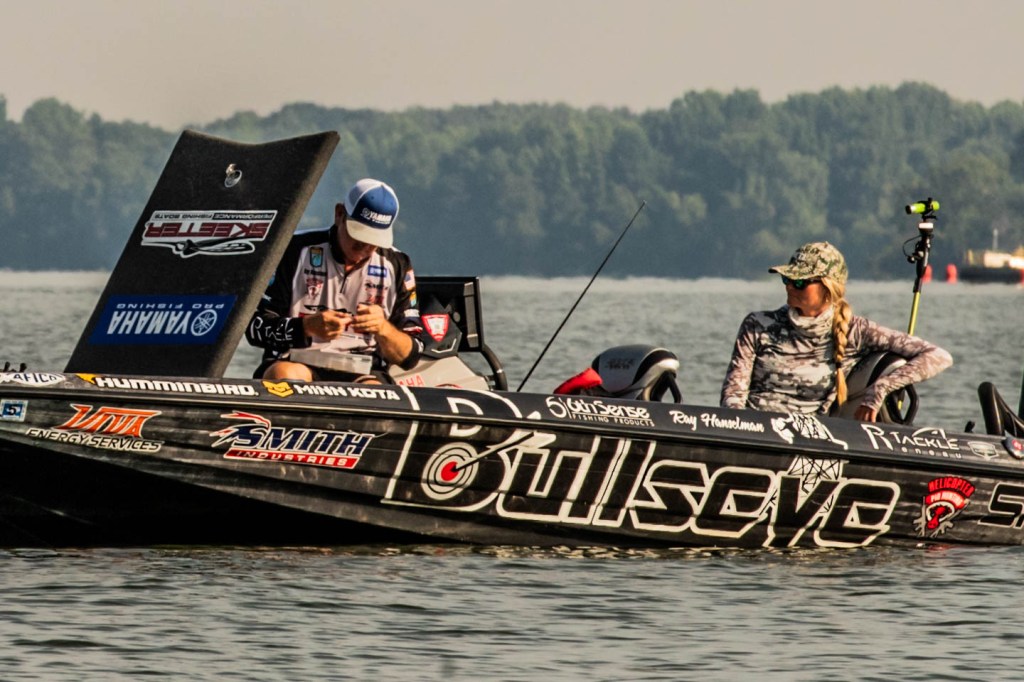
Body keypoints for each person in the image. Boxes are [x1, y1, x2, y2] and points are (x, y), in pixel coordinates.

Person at [720, 241, 952, 421]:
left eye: (800, 282)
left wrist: (881, 388)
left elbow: (939, 356)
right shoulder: (757, 325)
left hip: (809, 440)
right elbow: (733, 396)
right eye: (786, 279)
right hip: (754, 431)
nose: (790, 286)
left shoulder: (856, 331)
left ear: (827, 289)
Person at [245, 178, 423, 383]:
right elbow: (253, 329)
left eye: (374, 241)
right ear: (339, 214)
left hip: (363, 371)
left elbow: (412, 356)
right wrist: (306, 327)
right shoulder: (292, 249)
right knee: (284, 375)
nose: (364, 249)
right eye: (359, 237)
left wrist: (383, 328)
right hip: (295, 362)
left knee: (374, 390)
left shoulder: (398, 264)